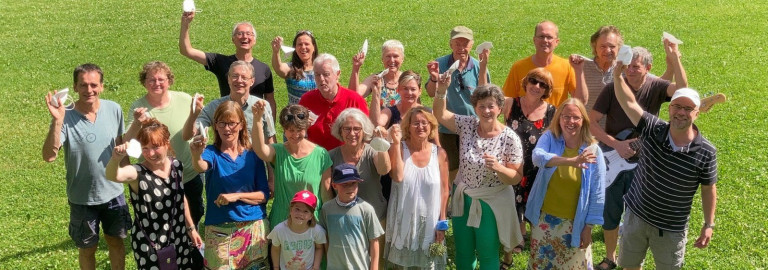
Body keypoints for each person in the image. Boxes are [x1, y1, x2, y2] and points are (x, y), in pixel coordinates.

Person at [589, 42, 688, 270]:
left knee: (637, 214)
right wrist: (616, 144)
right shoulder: (612, 87)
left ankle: (632, 261)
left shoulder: (656, 86)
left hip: (645, 163)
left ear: (648, 67)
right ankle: (611, 257)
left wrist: (675, 58)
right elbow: (591, 122)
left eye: (635, 67)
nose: (630, 71)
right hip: (613, 159)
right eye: (627, 67)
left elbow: (682, 89)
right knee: (611, 212)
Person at [611, 65, 717, 270]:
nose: (681, 113)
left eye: (688, 109)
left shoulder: (706, 151)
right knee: (629, 267)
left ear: (697, 113)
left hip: (671, 227)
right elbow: (628, 102)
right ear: (669, 108)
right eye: (677, 106)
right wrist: (617, 76)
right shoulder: (653, 128)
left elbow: (708, 189)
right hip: (636, 217)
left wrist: (708, 224)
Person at [42, 63, 130, 270]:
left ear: (102, 86)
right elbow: (48, 156)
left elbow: (120, 146)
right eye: (83, 85)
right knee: (88, 248)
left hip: (114, 193)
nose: (88, 90)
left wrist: (130, 179)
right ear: (74, 87)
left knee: (116, 243)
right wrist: (57, 121)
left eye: (93, 85)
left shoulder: (114, 109)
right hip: (82, 197)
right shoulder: (66, 116)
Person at [433, 78, 523, 270]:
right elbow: (439, 114)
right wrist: (441, 91)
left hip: (491, 201)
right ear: (475, 108)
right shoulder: (468, 125)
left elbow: (515, 177)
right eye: (481, 106)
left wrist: (499, 167)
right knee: (463, 251)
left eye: (491, 106)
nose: (486, 111)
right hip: (462, 197)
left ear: (499, 108)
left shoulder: (510, 138)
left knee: (487, 252)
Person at [106, 119, 202, 269]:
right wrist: (115, 159)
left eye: (155, 147)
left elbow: (180, 198)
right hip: (150, 244)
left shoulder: (177, 166)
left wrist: (191, 229)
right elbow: (114, 176)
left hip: (178, 236)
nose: (150, 154)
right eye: (145, 148)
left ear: (166, 143)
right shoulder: (138, 173)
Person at [524, 98, 606, 269]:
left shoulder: (593, 151)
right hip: (544, 220)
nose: (571, 121)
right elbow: (537, 157)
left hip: (575, 224)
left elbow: (597, 193)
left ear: (583, 120)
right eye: (566, 116)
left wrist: (588, 227)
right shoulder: (550, 138)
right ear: (559, 118)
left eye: (576, 117)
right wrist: (570, 161)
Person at [123, 61, 205, 229]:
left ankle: (191, 252)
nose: (156, 84)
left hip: (187, 175)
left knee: (192, 220)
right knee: (161, 224)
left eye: (161, 79)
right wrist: (137, 123)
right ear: (144, 82)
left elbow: (187, 135)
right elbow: (129, 142)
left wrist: (194, 114)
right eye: (151, 80)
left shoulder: (184, 99)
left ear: (169, 81)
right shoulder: (138, 107)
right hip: (154, 178)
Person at [190, 101, 270, 269]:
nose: (227, 129)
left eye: (232, 123)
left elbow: (264, 195)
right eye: (222, 123)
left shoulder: (252, 154)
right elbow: (201, 166)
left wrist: (237, 196)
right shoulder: (211, 152)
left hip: (253, 226)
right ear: (215, 126)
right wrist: (196, 155)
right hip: (220, 229)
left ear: (241, 125)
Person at [501, 68, 557, 261]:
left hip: (538, 168)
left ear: (547, 90)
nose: (537, 86)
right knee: (512, 202)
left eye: (543, 85)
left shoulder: (552, 112)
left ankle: (536, 238)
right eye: (533, 81)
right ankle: (517, 237)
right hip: (513, 165)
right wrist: (483, 67)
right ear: (526, 82)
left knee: (536, 203)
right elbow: (487, 98)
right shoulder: (510, 104)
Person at [384, 106, 450, 269]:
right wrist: (396, 142)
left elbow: (445, 190)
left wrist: (442, 221)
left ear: (431, 127)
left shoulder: (440, 153)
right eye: (415, 123)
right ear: (407, 127)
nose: (420, 126)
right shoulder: (399, 148)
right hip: (403, 222)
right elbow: (397, 177)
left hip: (430, 222)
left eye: (424, 123)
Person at [251, 102, 333, 230]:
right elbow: (260, 150)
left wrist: (329, 226)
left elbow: (326, 195)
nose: (295, 135)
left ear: (306, 128)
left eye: (299, 130)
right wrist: (257, 120)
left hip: (311, 226)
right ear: (284, 130)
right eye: (290, 130)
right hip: (282, 225)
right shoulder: (278, 152)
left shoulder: (321, 155)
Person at [425, 25, 490, 186]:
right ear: (451, 44)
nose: (461, 48)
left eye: (465, 44)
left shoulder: (477, 66)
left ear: (472, 45)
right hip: (446, 127)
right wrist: (434, 78)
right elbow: (431, 93)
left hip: (472, 126)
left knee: (470, 165)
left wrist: (482, 68)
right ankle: (450, 202)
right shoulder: (440, 63)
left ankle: (466, 199)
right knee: (449, 167)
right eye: (457, 43)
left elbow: (484, 95)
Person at [179, 12, 276, 118]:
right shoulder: (220, 61)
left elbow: (269, 99)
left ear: (254, 40)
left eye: (249, 34)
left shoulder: (264, 69)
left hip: (255, 123)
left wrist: (271, 127)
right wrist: (185, 24)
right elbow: (186, 50)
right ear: (233, 39)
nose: (244, 37)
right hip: (228, 123)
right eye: (240, 33)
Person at [182, 60, 276, 144]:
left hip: (254, 160)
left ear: (252, 81)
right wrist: (193, 114)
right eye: (235, 76)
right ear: (228, 79)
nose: (239, 81)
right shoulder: (215, 106)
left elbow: (270, 139)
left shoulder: (262, 106)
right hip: (224, 160)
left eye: (244, 78)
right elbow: (187, 136)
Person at [501, 21, 586, 106]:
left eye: (549, 37)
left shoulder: (567, 67)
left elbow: (581, 101)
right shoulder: (519, 67)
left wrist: (579, 71)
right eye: (541, 36)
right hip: (524, 118)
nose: (545, 40)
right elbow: (506, 102)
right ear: (534, 40)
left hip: (554, 119)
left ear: (556, 42)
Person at [329, 108, 391, 221]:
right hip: (343, 219)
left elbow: (384, 170)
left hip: (375, 218)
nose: (352, 133)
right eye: (347, 129)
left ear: (364, 131)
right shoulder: (331, 156)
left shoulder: (372, 150)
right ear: (340, 131)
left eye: (357, 129)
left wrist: (380, 142)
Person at [299, 53, 369, 150]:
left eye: (326, 74)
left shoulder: (354, 100)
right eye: (317, 75)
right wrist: (303, 127)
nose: (321, 79)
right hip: (316, 158)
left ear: (337, 74)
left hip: (346, 158)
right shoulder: (306, 100)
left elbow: (368, 133)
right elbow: (295, 132)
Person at [321, 164, 385, 270]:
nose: (350, 188)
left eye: (353, 183)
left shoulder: (366, 209)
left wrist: (374, 267)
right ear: (334, 185)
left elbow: (374, 241)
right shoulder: (326, 208)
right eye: (344, 184)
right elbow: (325, 237)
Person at [267, 190, 326, 270]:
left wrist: (315, 267)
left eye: (305, 211)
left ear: (311, 216)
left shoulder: (316, 231)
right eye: (297, 209)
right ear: (291, 210)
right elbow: (275, 249)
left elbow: (319, 248)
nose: (300, 214)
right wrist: (276, 267)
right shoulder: (279, 230)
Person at [349, 39, 405, 107]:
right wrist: (356, 68)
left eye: (395, 56)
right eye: (388, 56)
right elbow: (353, 96)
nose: (392, 60)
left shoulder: (408, 80)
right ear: (382, 59)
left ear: (402, 59)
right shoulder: (376, 79)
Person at [270, 30, 318, 105]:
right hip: (295, 115)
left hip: (318, 115)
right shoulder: (291, 67)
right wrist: (276, 51)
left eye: (307, 44)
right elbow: (279, 68)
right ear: (295, 48)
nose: (303, 47)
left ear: (313, 47)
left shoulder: (321, 67)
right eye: (299, 44)